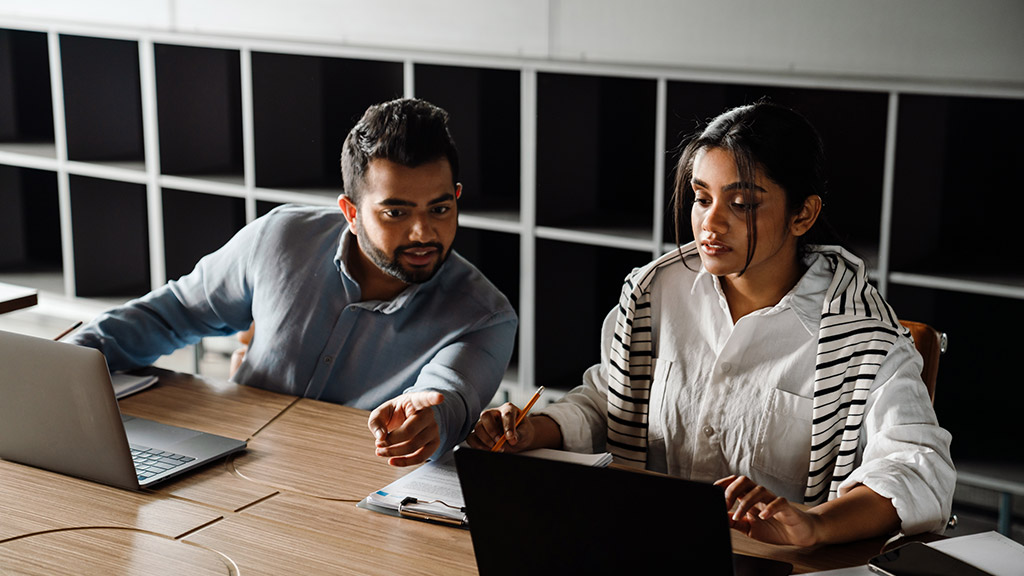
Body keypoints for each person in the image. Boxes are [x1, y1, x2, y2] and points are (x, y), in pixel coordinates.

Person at [468, 101, 954, 546]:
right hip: (641, 545)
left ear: (802, 214)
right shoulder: (654, 294)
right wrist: (536, 431)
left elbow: (919, 468)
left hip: (771, 564)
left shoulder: (863, 335)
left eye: (741, 204)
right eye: (702, 198)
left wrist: (815, 521)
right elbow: (613, 405)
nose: (710, 224)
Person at [70, 98, 518, 467]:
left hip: (340, 495)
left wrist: (431, 416)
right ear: (351, 213)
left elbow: (452, 394)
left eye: (439, 209)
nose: (423, 233)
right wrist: (70, 358)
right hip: (225, 460)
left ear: (456, 198)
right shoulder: (282, 237)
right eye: (396, 213)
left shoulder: (484, 316)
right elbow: (174, 313)